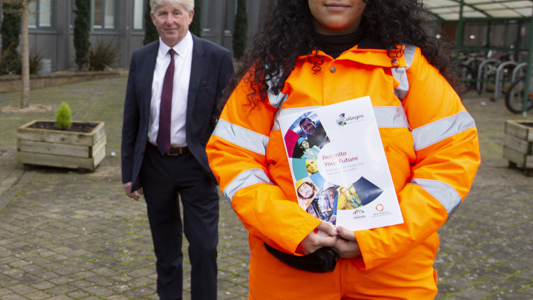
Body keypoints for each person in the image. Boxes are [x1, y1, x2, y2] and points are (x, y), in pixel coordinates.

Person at [206, 0, 480, 298]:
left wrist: (380, 238)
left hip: (392, 271)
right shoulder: (273, 71)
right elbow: (233, 155)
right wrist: (294, 229)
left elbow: (452, 157)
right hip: (290, 269)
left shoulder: (405, 67)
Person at [120, 0, 233, 298]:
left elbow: (229, 120)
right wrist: (129, 173)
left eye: (176, 13)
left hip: (197, 165)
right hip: (155, 165)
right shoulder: (141, 58)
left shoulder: (217, 58)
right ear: (153, 17)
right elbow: (132, 118)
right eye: (162, 13)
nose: (170, 20)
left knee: (205, 248)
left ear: (190, 16)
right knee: (166, 253)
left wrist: (227, 168)